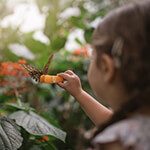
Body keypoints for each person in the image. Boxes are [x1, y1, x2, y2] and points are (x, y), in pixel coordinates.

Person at [57, 0, 150, 149]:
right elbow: (113, 121)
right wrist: (79, 93)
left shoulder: (117, 143)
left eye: (93, 56)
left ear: (107, 67)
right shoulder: (138, 126)